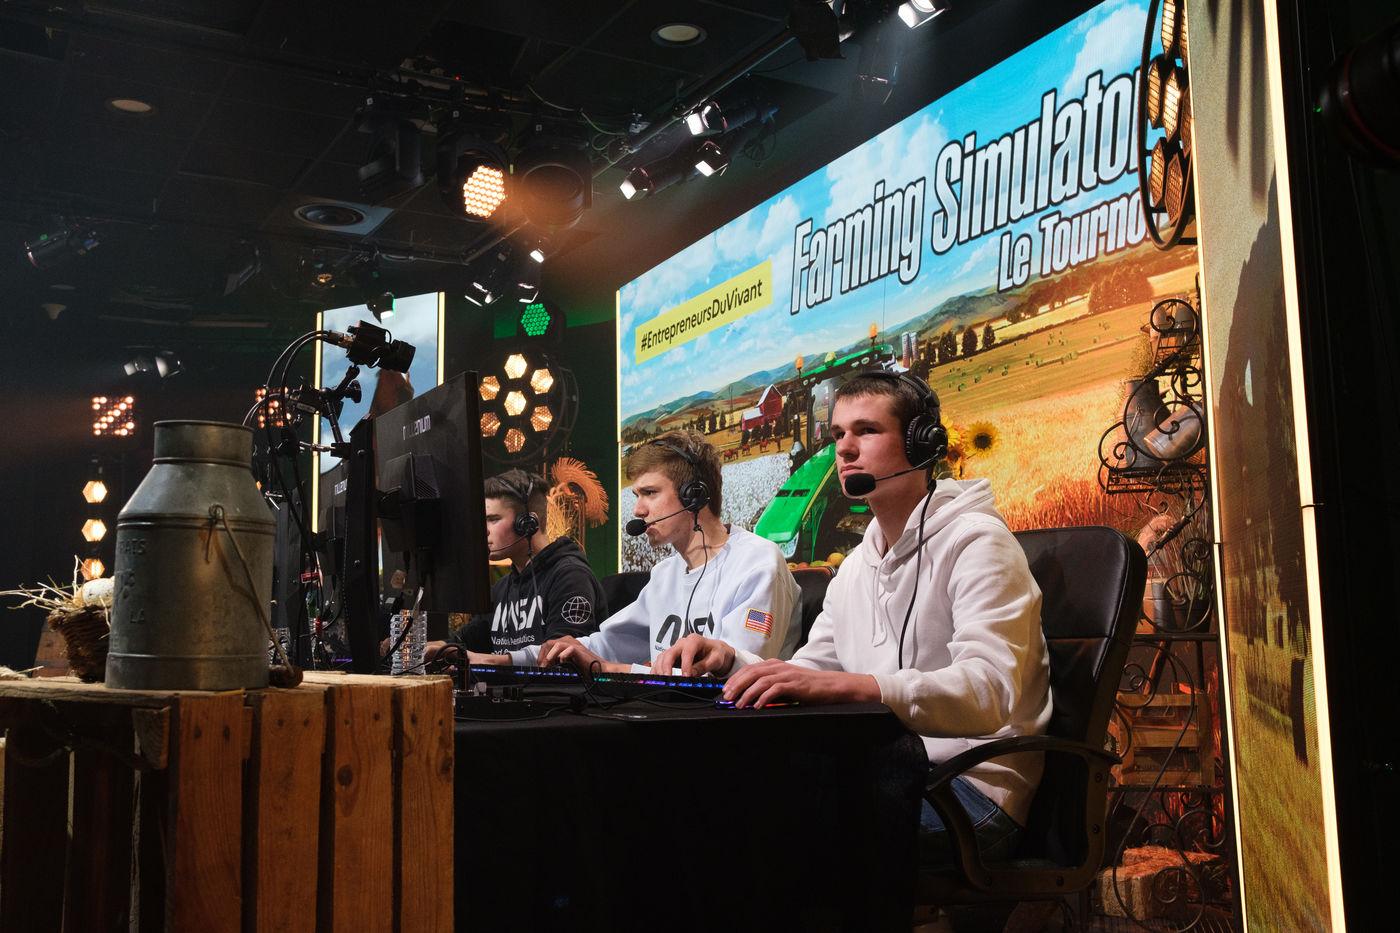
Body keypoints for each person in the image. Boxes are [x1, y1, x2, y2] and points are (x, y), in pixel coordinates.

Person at [654, 372, 1051, 863]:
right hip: (885, 773)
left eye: (866, 430)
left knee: (757, 831)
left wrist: (858, 687)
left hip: (969, 795)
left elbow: (989, 691)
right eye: (839, 433)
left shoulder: (979, 543)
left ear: (921, 443)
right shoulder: (859, 564)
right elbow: (811, 673)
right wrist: (731, 661)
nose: (843, 448)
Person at [534, 429, 800, 673]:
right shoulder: (665, 574)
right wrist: (520, 657)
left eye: (650, 493)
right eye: (637, 496)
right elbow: (606, 645)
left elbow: (734, 677)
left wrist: (608, 668)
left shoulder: (758, 562)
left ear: (694, 496)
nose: (638, 510)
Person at [425, 469, 605, 665]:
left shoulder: (571, 577)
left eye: (493, 519)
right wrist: (428, 649)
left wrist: (492, 661)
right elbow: (465, 640)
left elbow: (562, 656)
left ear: (527, 523)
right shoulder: (503, 587)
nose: (483, 530)